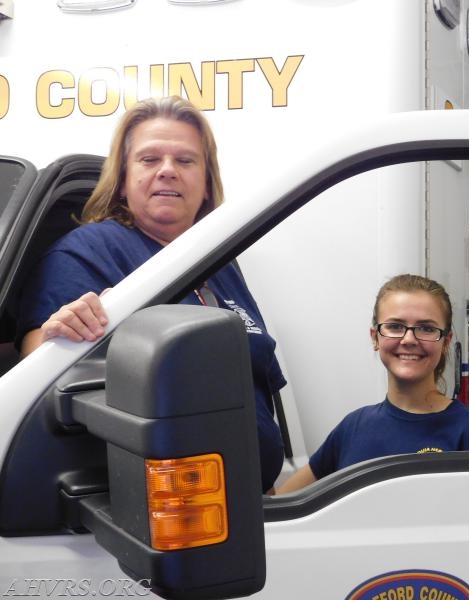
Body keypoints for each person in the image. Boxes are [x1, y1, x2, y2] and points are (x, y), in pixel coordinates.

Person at [15, 96, 286, 493]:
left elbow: (258, 382)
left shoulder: (221, 261)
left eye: (186, 160)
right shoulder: (88, 250)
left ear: (207, 181)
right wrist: (61, 332)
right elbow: (38, 358)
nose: (168, 172)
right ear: (123, 179)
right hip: (166, 512)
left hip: (249, 502)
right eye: (149, 159)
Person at [276, 274, 469, 494]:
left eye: (427, 328)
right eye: (395, 326)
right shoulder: (352, 428)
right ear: (375, 337)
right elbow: (278, 508)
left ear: (446, 342)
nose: (409, 339)